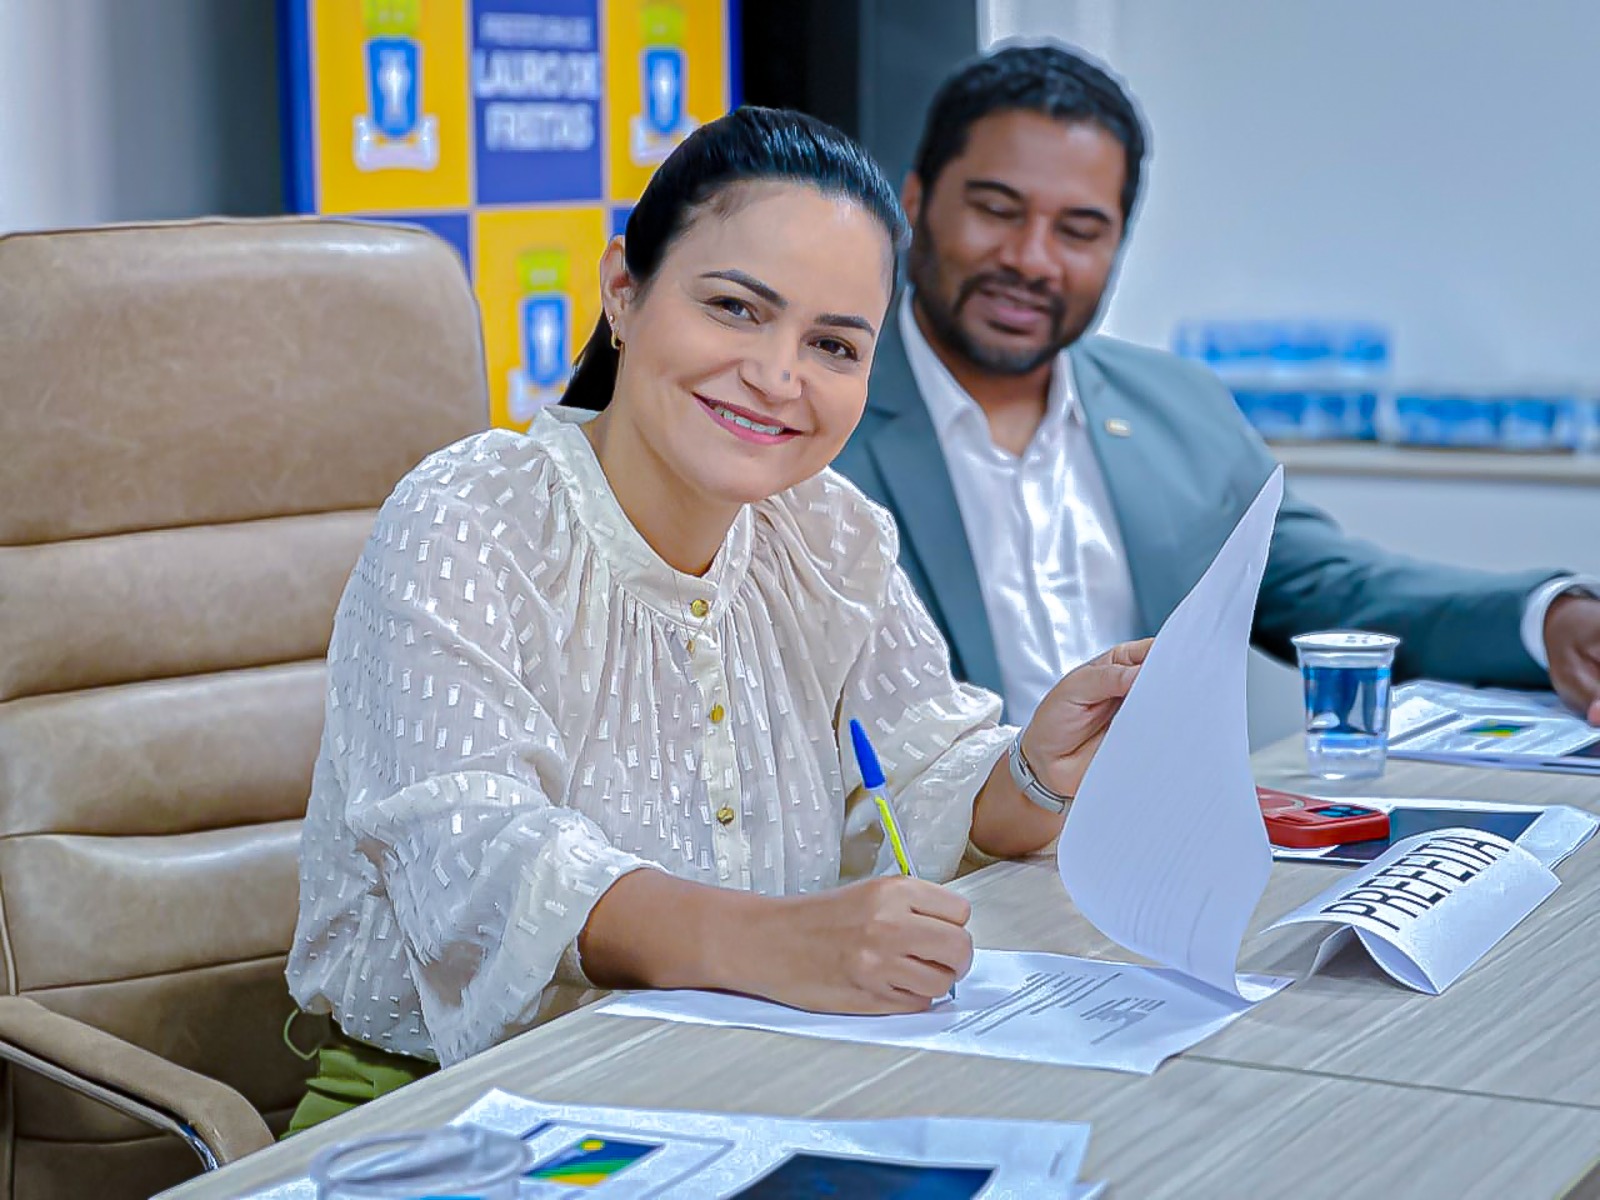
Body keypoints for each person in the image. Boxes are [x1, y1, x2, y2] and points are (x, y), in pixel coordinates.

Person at [285, 106, 1150, 1129]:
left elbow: (916, 775)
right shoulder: (469, 518)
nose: (780, 376)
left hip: (740, 1076)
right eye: (737, 308)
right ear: (623, 289)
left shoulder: (831, 534)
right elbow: (484, 867)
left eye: (832, 343)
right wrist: (782, 943)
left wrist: (1035, 772)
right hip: (449, 1113)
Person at [831, 44, 1600, 729]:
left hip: (1167, 858)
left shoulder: (1178, 409)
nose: (1033, 259)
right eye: (997, 210)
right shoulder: (818, 419)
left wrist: (1550, 619)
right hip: (944, 870)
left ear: (1118, 243)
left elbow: (1342, 590)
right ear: (917, 200)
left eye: (1079, 230)